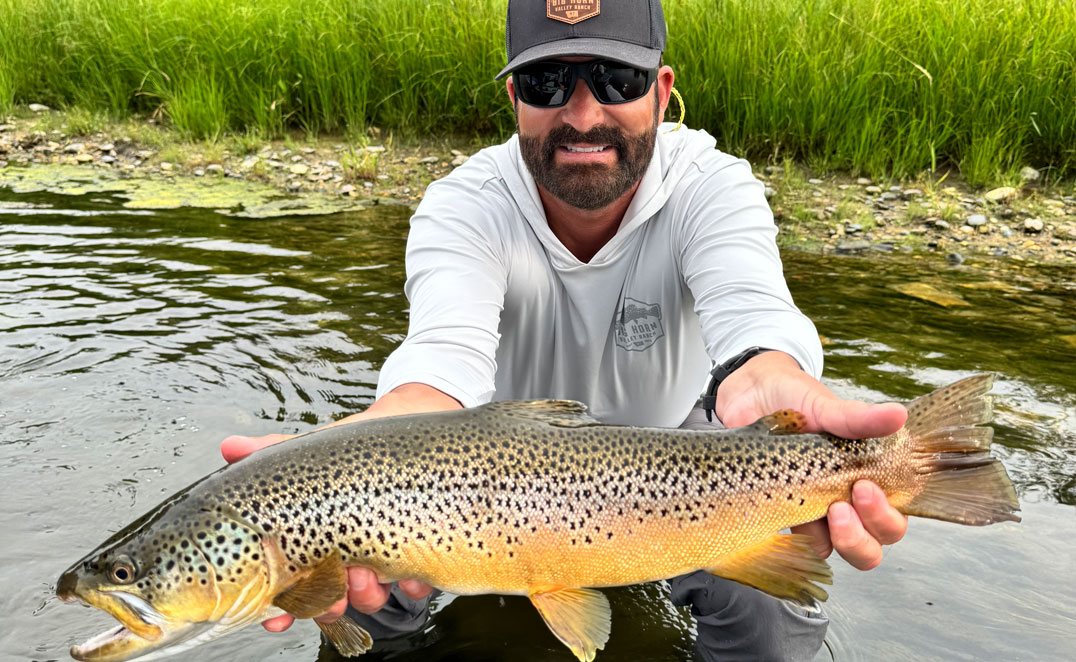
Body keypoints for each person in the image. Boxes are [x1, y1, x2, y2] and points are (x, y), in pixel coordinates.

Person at [221, 0, 909, 659]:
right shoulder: (467, 204)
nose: (583, 114)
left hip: (681, 457)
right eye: (548, 83)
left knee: (771, 618)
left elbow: (753, 313)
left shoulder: (712, 186)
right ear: (514, 100)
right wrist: (331, 467)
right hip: (477, 478)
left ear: (662, 93)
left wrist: (771, 372)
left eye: (617, 79)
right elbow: (439, 359)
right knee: (352, 586)